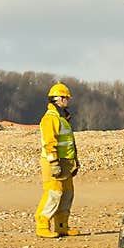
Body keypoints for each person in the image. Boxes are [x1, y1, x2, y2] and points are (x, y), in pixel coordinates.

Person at [34, 82, 80, 238]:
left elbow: (68, 142)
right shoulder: (50, 118)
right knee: (54, 193)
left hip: (66, 162)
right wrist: (54, 163)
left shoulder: (63, 118)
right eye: (65, 98)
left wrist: (75, 162)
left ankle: (62, 226)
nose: (67, 100)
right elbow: (49, 142)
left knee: (67, 194)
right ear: (58, 99)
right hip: (53, 162)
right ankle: (42, 224)